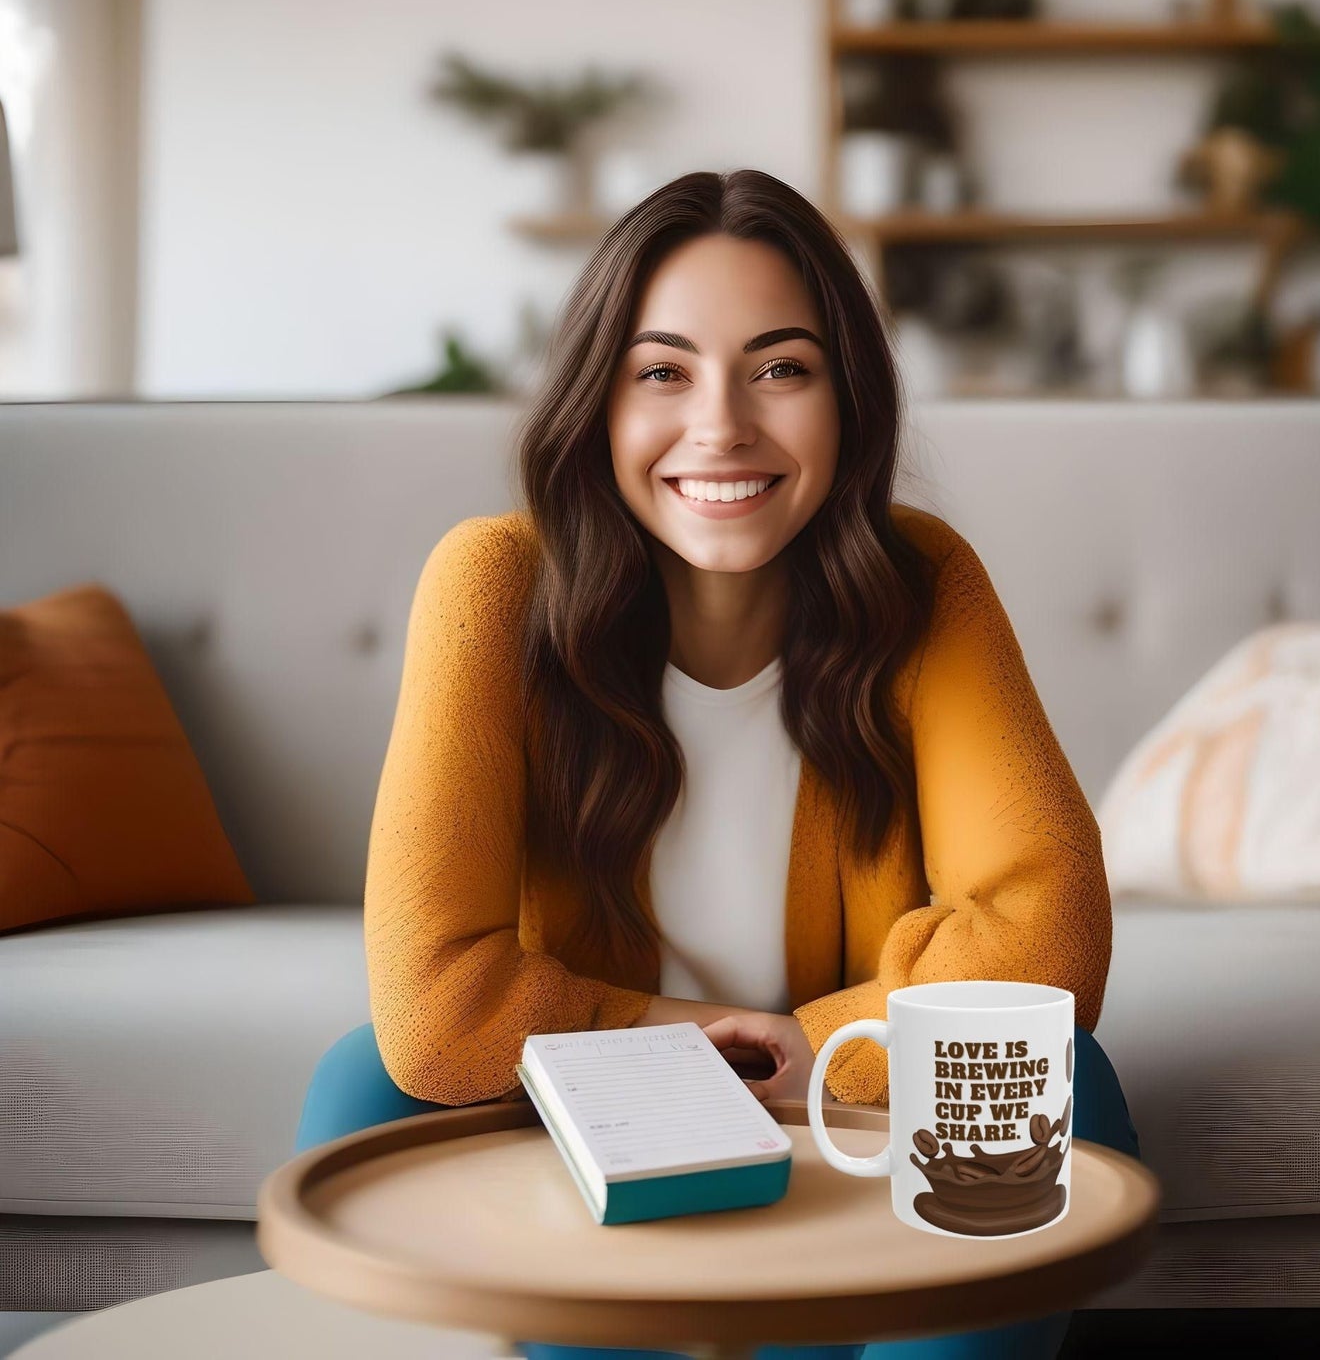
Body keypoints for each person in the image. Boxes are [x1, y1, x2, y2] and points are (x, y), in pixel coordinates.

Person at [296, 169, 1140, 1360]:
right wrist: (682, 1041)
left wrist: (820, 1046)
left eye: (780, 368)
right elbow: (438, 1010)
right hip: (591, 1134)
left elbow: (1045, 929)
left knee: (1061, 1069)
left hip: (843, 1124)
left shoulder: (921, 582)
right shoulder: (493, 586)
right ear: (599, 400)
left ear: (846, 397)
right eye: (663, 371)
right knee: (364, 1086)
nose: (721, 426)